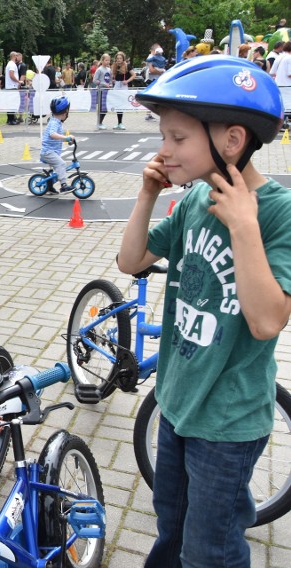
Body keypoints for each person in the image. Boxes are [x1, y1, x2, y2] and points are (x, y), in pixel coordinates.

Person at [120, 56, 289, 568]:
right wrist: (148, 193)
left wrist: (243, 226)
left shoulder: (278, 212)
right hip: (174, 403)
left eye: (177, 138)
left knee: (210, 548)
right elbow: (131, 260)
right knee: (170, 525)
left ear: (232, 140)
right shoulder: (193, 198)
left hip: (228, 423)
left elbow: (267, 321)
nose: (164, 150)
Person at [40, 97, 75, 194]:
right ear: (65, 113)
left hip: (51, 151)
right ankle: (63, 185)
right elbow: (52, 134)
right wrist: (66, 138)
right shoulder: (54, 122)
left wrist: (67, 140)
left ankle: (49, 186)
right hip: (48, 152)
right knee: (61, 164)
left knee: (55, 170)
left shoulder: (56, 121)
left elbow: (57, 136)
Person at [110, 51, 135, 130]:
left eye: (120, 58)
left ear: (123, 59)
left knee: (121, 104)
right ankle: (118, 123)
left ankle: (120, 123)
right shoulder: (115, 66)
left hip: (123, 86)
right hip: (116, 85)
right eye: (117, 58)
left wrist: (127, 81)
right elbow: (113, 76)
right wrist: (113, 80)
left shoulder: (127, 66)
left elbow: (134, 75)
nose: (119, 60)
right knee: (117, 104)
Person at [93, 53, 113, 130]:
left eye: (109, 60)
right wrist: (103, 84)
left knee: (105, 108)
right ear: (102, 60)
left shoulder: (109, 70)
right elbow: (95, 80)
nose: (108, 62)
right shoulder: (99, 69)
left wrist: (111, 84)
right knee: (102, 108)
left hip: (108, 91)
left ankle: (100, 122)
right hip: (101, 90)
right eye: (106, 60)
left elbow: (110, 79)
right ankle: (99, 123)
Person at [4, 52, 21, 125]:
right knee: (12, 103)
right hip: (12, 86)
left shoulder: (9, 64)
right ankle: (11, 119)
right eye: (17, 56)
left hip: (10, 86)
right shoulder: (12, 64)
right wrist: (18, 81)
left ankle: (10, 119)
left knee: (10, 103)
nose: (18, 57)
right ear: (14, 56)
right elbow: (11, 74)